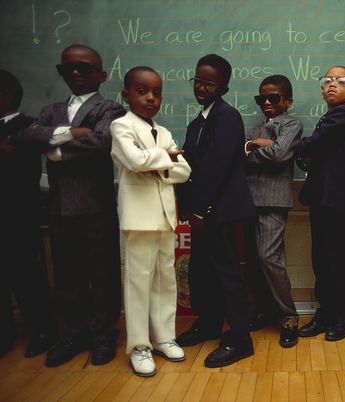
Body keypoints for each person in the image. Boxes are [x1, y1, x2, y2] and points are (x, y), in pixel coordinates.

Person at [20, 44, 125, 367]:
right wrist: (70, 134)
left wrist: (51, 147)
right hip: (59, 206)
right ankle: (74, 333)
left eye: (85, 67)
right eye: (69, 69)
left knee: (103, 273)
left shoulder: (111, 109)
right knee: (67, 275)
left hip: (96, 206)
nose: (76, 74)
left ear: (102, 74)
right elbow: (25, 138)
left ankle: (104, 334)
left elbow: (101, 142)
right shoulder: (52, 109)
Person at [176, 54, 256, 368]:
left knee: (228, 275)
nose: (201, 87)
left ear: (223, 87)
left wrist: (200, 209)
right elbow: (190, 167)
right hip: (203, 211)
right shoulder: (197, 122)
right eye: (198, 80)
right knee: (202, 272)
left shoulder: (227, 116)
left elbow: (216, 169)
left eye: (209, 83)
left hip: (222, 212)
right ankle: (209, 323)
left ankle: (240, 339)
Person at [110, 66, 191, 377]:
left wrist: (157, 159)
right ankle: (140, 346)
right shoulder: (121, 126)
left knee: (164, 280)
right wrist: (165, 158)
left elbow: (184, 171)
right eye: (142, 91)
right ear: (126, 93)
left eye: (156, 92)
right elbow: (133, 160)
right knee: (138, 282)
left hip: (164, 215)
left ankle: (162, 337)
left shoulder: (163, 130)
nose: (150, 97)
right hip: (139, 218)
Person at [295, 66, 345, 342]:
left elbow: (316, 143)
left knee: (340, 261)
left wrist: (290, 145)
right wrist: (306, 155)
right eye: (327, 81)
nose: (332, 84)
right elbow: (317, 152)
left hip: (339, 202)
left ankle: (343, 318)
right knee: (322, 260)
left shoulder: (343, 115)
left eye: (341, 81)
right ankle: (326, 313)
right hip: (323, 198)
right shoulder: (329, 116)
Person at [0, 69, 58, 359]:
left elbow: (28, 170)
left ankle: (44, 329)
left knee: (27, 274)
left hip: (19, 214)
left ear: (7, 95)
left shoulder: (29, 127)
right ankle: (5, 333)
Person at [244, 75, 303, 348]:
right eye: (261, 99)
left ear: (287, 101)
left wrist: (257, 148)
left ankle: (289, 317)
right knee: (256, 260)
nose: (266, 102)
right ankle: (266, 311)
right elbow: (240, 156)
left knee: (269, 257)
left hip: (274, 200)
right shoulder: (255, 129)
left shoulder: (291, 123)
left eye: (274, 98)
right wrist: (260, 146)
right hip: (249, 200)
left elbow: (280, 155)